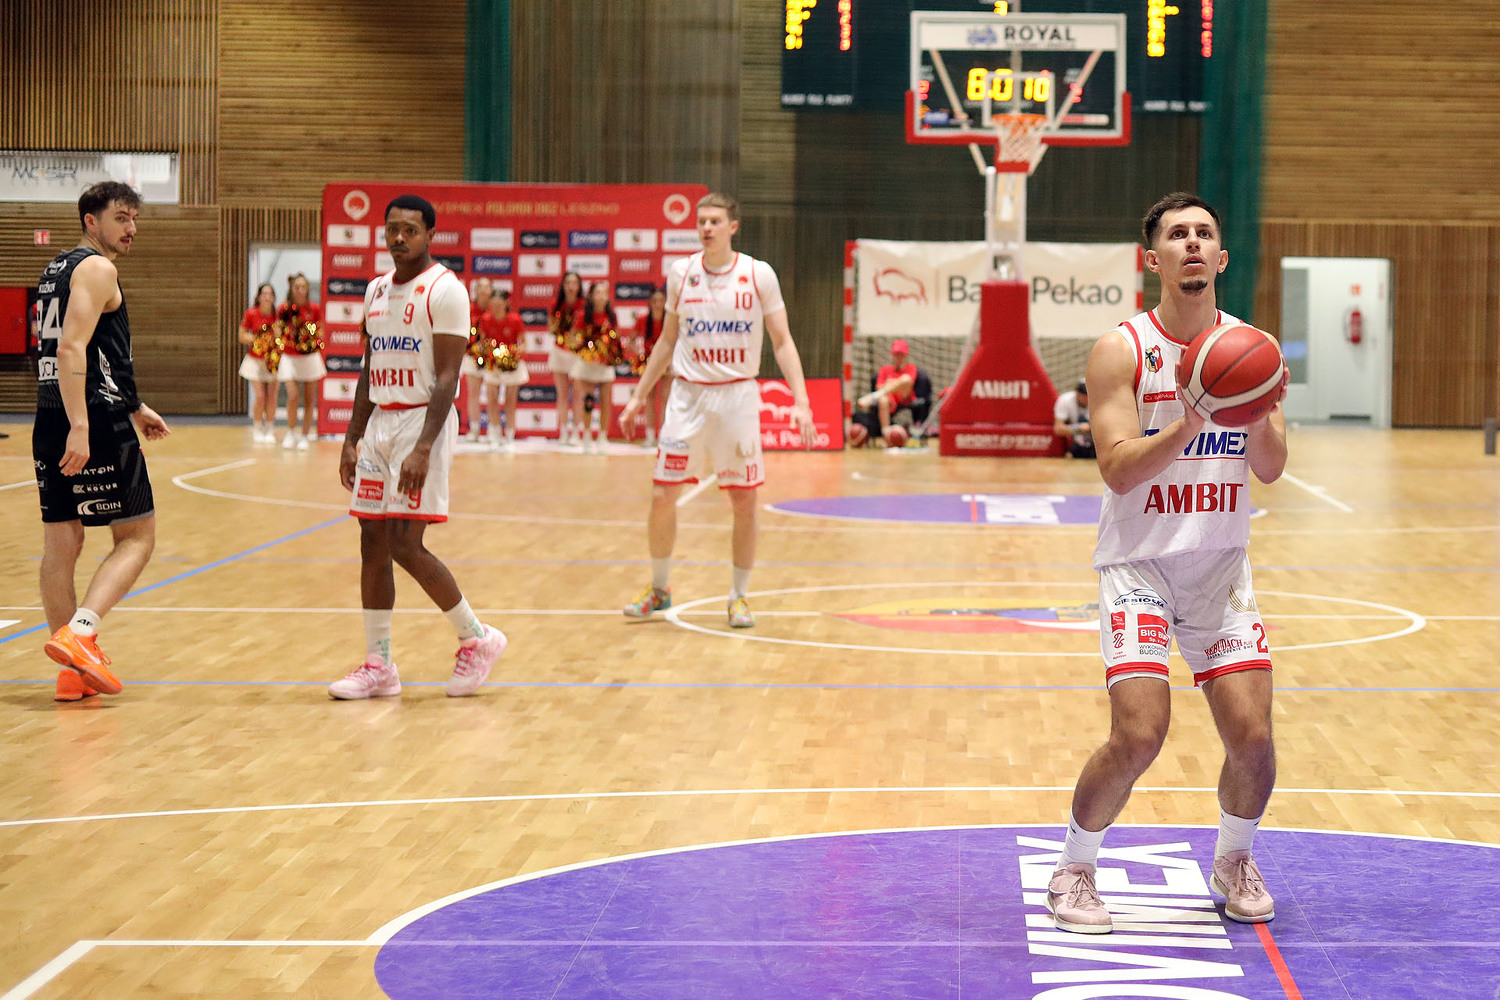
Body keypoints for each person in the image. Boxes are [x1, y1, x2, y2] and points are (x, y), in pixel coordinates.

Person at [1045, 192, 1288, 934]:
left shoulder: (1253, 348)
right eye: (1177, 235)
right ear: (1153, 260)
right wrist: (1193, 417)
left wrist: (1251, 406)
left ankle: (1233, 858)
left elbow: (1272, 466)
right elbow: (1117, 470)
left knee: (1254, 738)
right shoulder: (1121, 350)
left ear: (1221, 258)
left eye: (1204, 234)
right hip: (1140, 566)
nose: (1192, 244)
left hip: (1219, 567)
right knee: (1140, 734)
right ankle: (1073, 868)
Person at [328, 194, 508, 700]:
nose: (399, 238)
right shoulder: (376, 290)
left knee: (405, 543)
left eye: (410, 230)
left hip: (421, 422)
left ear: (430, 234)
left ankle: (477, 637)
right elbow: (369, 368)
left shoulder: (446, 290)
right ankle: (379, 664)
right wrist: (351, 437)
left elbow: (448, 376)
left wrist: (424, 447)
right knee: (371, 539)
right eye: (392, 229)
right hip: (380, 424)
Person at [619, 192, 816, 628]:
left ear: (733, 227)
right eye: (701, 221)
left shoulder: (758, 274)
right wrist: (637, 396)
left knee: (744, 499)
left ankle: (739, 596)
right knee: (661, 495)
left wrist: (801, 402)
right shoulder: (681, 273)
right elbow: (667, 341)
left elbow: (782, 341)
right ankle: (660, 588)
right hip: (687, 397)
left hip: (736, 398)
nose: (706, 228)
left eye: (715, 221)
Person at [32, 180, 171, 702]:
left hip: (50, 416)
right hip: (88, 420)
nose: (131, 228)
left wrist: (135, 405)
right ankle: (81, 632)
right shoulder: (98, 268)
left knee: (62, 543)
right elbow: (71, 349)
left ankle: (73, 672)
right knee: (137, 537)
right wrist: (83, 425)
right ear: (91, 221)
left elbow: (94, 350)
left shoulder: (56, 270)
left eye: (134, 218)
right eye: (121, 218)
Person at [569, 281, 622, 454]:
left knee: (605, 401)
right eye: (597, 293)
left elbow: (616, 338)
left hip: (604, 365)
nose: (600, 296)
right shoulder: (583, 315)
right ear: (591, 296)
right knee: (589, 400)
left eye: (604, 293)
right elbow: (573, 337)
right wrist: (586, 349)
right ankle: (586, 435)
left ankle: (602, 437)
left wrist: (609, 351)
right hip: (587, 364)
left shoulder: (611, 316)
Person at [276, 273, 325, 450]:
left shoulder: (314, 309)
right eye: (297, 286)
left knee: (310, 399)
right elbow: (278, 330)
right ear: (291, 288)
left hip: (309, 357)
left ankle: (304, 435)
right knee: (293, 395)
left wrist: (311, 339)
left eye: (303, 286)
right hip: (290, 356)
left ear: (307, 289)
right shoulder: (284, 308)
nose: (300, 290)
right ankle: (291, 432)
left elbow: (320, 332)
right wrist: (283, 342)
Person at [849, 339, 927, 446]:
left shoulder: (911, 368)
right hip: (890, 399)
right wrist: (893, 385)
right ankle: (886, 436)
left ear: (905, 356)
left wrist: (890, 382)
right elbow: (879, 386)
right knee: (883, 400)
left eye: (901, 355)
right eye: (896, 355)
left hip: (905, 396)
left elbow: (908, 383)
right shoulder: (885, 369)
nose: (898, 358)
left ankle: (874, 397)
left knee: (905, 379)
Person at [482, 288, 529, 453]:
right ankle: (495, 436)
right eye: (493, 305)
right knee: (492, 399)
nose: (495, 308)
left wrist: (512, 354)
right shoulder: (486, 319)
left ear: (506, 304)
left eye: (499, 305)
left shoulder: (515, 319)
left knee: (510, 401)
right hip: (493, 364)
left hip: (511, 365)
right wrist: (491, 354)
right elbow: (483, 341)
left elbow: (524, 343)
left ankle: (509, 437)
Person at [237, 283, 281, 443]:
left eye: (270, 294)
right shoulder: (251, 313)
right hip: (255, 360)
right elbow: (242, 335)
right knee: (260, 396)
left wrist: (276, 336)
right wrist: (258, 339)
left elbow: (282, 337)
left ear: (274, 297)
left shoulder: (278, 315)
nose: (267, 297)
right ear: (259, 297)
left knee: (272, 397)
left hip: (273, 360)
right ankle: (257, 427)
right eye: (264, 294)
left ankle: (269, 428)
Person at [548, 271, 585, 446]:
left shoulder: (584, 305)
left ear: (579, 286)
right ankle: (563, 432)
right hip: (559, 351)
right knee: (562, 394)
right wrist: (558, 325)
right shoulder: (556, 304)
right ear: (563, 286)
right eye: (567, 283)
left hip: (577, 354)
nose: (570, 286)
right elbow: (550, 328)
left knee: (578, 395)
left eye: (574, 283)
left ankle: (576, 432)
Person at [633, 286, 670, 448]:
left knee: (665, 398)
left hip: (668, 362)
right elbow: (631, 340)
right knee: (650, 398)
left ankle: (663, 435)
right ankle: (649, 435)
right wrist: (639, 353)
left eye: (661, 301)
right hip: (649, 362)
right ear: (650, 302)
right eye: (655, 301)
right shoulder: (643, 319)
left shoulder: (669, 320)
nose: (658, 304)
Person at [461, 277, 496, 442]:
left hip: (491, 358)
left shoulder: (496, 309)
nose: (483, 289)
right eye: (480, 286)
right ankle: (474, 430)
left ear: (491, 290)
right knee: (473, 394)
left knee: (492, 395)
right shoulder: (467, 309)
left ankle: (492, 430)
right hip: (471, 355)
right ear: (475, 290)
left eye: (486, 286)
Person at [1053, 380, 1095, 458]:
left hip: (1095, 442)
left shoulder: (1098, 402)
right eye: (1084, 395)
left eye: (1088, 395)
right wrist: (1079, 428)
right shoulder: (1065, 400)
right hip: (1077, 442)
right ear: (1077, 393)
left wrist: (1091, 428)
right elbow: (1058, 429)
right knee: (1070, 455)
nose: (1086, 399)